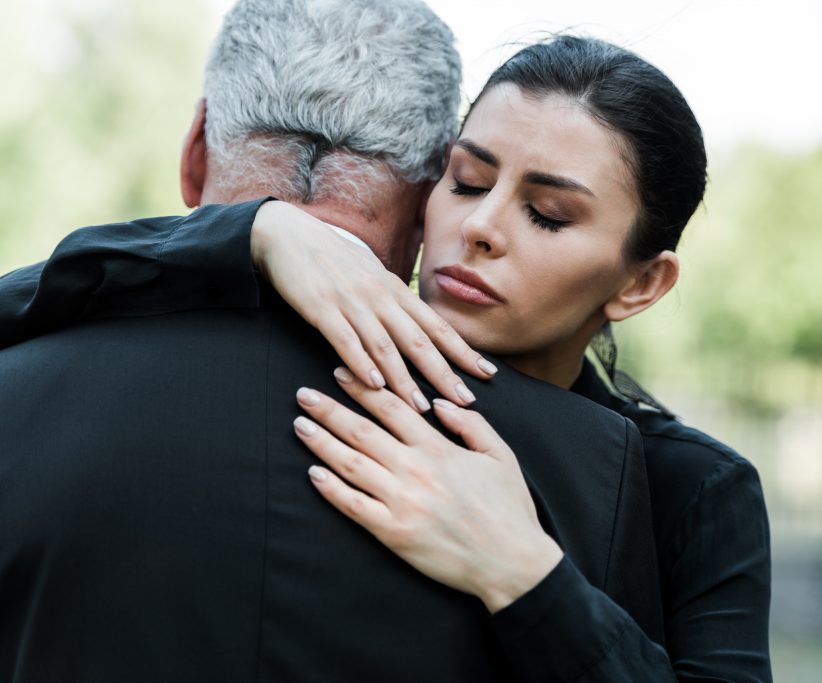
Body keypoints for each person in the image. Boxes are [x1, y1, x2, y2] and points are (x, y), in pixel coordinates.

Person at [0, 31, 773, 683]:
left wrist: (523, 572)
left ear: (642, 282)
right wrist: (246, 233)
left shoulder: (691, 486)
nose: (480, 227)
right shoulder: (310, 350)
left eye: (547, 214)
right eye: (465, 181)